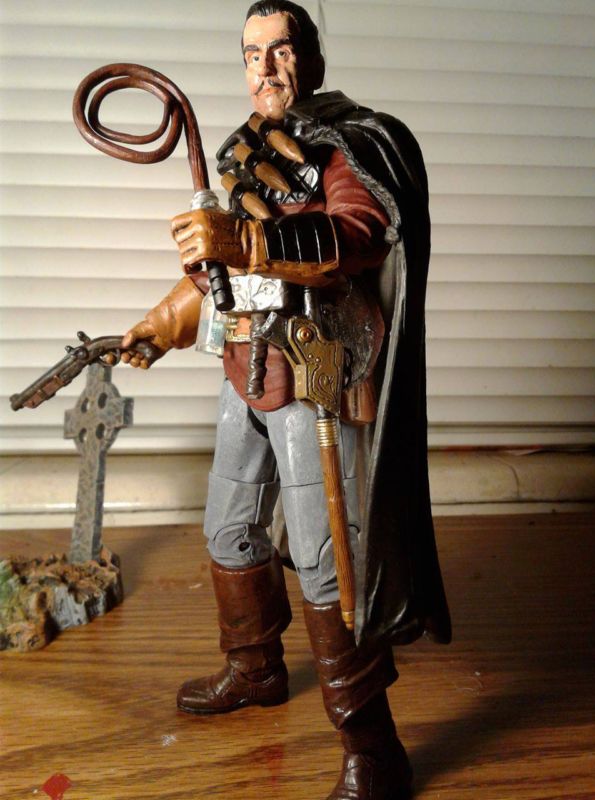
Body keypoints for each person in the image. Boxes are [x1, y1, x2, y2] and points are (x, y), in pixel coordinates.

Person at [122, 2, 451, 798]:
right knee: (229, 528)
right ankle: (255, 667)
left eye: (280, 50)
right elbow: (218, 276)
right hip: (246, 366)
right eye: (251, 54)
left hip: (314, 376)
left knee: (326, 561)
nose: (264, 68)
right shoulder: (245, 153)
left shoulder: (350, 145)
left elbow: (359, 233)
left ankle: (372, 746)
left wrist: (248, 240)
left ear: (311, 57)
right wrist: (161, 324)